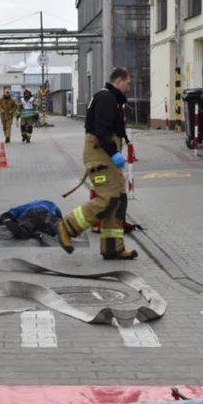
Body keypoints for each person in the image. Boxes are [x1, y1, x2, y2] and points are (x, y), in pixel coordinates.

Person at [57, 67, 137, 260]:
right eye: (127, 84)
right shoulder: (106, 98)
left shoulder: (111, 99)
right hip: (100, 156)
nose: (128, 88)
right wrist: (114, 153)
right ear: (118, 81)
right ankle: (67, 227)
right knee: (108, 198)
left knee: (119, 199)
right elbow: (101, 131)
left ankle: (112, 248)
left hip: (107, 155)